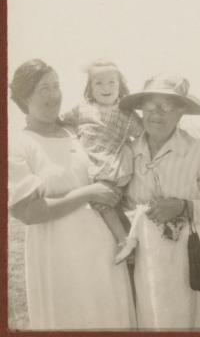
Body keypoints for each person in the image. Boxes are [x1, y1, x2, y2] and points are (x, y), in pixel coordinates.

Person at [8, 59, 136, 330]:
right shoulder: (18, 144)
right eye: (43, 88)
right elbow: (28, 212)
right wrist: (89, 192)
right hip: (58, 258)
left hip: (103, 251)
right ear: (23, 96)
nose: (54, 95)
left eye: (56, 86)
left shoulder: (76, 131)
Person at [119, 74, 200, 331]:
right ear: (141, 109)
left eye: (168, 106)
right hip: (148, 258)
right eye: (151, 105)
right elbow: (122, 202)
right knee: (154, 317)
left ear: (181, 113)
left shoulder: (199, 152)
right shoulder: (128, 152)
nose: (158, 113)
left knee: (193, 319)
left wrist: (184, 207)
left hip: (193, 254)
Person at [62, 60, 142, 263]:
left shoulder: (125, 113)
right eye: (99, 83)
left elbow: (143, 134)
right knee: (100, 203)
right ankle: (126, 240)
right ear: (90, 87)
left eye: (111, 82)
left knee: (104, 201)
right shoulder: (82, 108)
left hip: (111, 164)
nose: (106, 88)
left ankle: (125, 242)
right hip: (89, 163)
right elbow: (61, 121)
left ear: (120, 85)